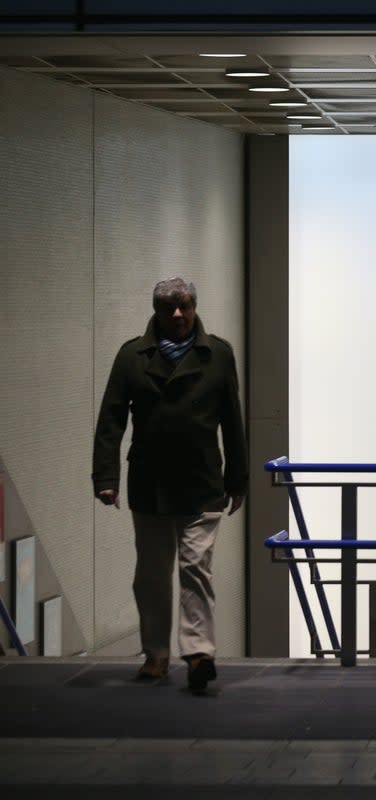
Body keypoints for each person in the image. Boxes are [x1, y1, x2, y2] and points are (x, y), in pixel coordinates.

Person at [92, 278, 248, 694]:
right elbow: (111, 421)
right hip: (151, 482)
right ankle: (156, 654)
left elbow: (233, 420)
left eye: (184, 306)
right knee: (152, 574)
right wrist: (105, 478)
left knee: (196, 568)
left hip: (202, 482)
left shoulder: (217, 354)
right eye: (168, 307)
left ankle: (199, 653)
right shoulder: (132, 357)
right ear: (156, 311)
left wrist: (238, 479)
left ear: (195, 306)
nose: (177, 314)